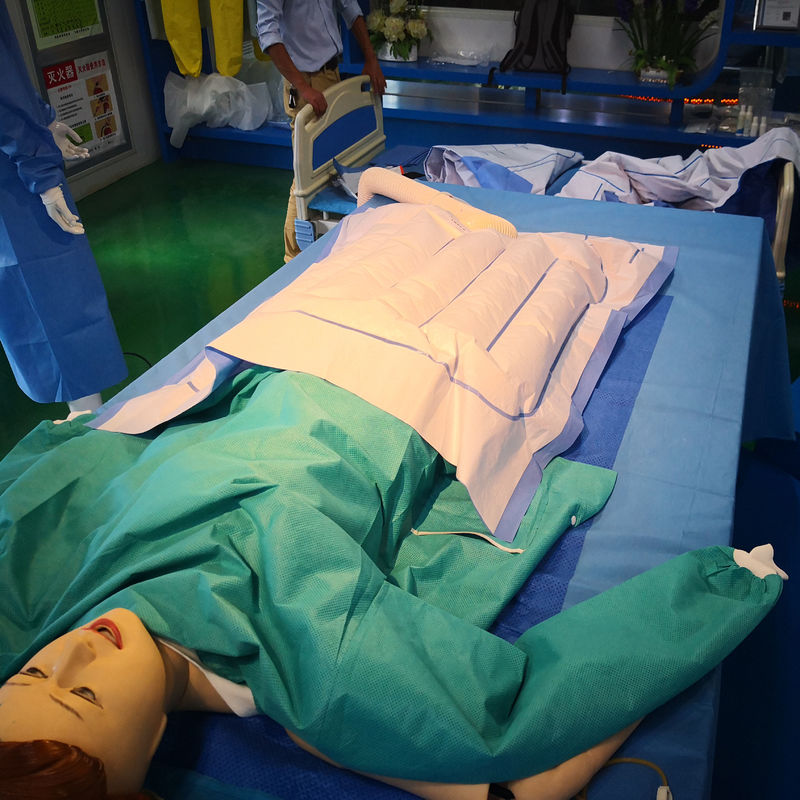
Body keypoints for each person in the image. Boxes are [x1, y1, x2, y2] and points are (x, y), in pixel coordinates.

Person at [0, 355, 786, 799]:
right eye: (84, 696)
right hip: (382, 393)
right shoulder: (304, 660)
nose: (74, 651)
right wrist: (713, 593)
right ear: (149, 754)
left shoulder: (31, 599)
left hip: (274, 369)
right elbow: (514, 742)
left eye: (34, 672)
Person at [0, 3, 127, 416]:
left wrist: (43, 123)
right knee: (50, 287)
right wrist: (41, 171)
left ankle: (84, 411)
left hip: (15, 155)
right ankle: (87, 414)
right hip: (13, 175)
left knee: (27, 293)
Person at [255, 0, 387, 262]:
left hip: (331, 72)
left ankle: (328, 250)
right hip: (305, 81)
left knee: (334, 168)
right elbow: (267, 33)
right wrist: (303, 87)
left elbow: (350, 8)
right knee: (306, 178)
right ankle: (292, 260)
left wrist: (371, 59)